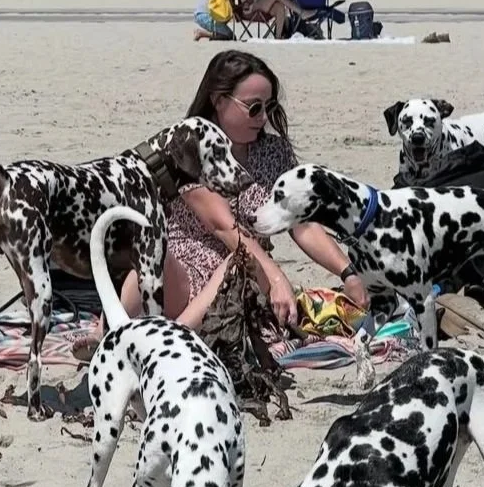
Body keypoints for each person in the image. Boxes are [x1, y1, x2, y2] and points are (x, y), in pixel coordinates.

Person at [74, 51, 370, 358]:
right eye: (254, 108)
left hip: (242, 277)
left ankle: (174, 340)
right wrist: (277, 276)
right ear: (218, 99)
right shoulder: (189, 146)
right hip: (183, 270)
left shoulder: (274, 153)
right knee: (153, 250)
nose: (264, 118)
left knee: (240, 262)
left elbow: (302, 223)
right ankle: (109, 332)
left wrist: (347, 273)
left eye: (269, 107)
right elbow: (222, 224)